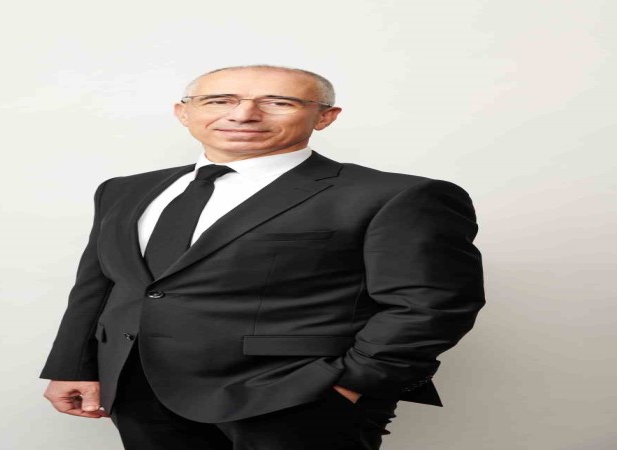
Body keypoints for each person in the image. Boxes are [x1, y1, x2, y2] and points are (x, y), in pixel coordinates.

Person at [39, 64, 485, 449]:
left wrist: (354, 384)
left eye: (278, 102)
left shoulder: (396, 195)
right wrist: (74, 366)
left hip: (295, 395)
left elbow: (430, 305)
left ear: (325, 117)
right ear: (183, 112)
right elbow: (99, 286)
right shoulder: (124, 189)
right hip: (139, 390)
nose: (243, 114)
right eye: (219, 100)